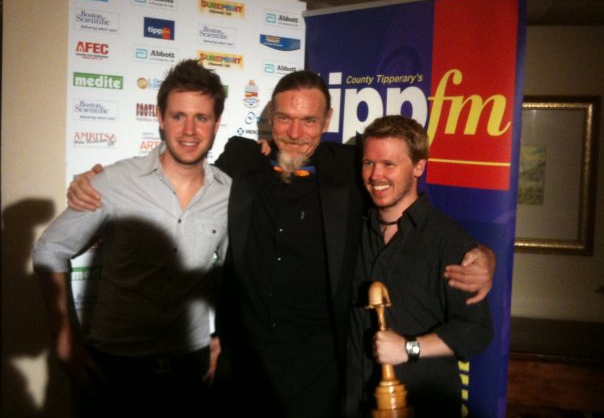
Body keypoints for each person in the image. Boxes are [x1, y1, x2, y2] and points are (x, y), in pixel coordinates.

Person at [67, 70, 495, 417]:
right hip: (243, 362)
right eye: (285, 118)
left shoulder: (348, 167)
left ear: (326, 123)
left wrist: (483, 256)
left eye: (309, 120)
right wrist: (95, 184)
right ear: (269, 117)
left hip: (319, 367)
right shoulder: (240, 158)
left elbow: (404, 199)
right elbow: (180, 181)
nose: (295, 131)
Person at [33, 59, 230, 417]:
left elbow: (238, 275)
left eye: (201, 117)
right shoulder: (113, 182)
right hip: (114, 371)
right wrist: (63, 336)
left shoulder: (229, 194)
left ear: (216, 123)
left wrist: (224, 340)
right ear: (159, 117)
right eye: (178, 116)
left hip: (192, 372)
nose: (189, 130)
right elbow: (51, 248)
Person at [345, 116, 494, 417]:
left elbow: (476, 330)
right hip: (356, 402)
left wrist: (409, 348)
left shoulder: (450, 241)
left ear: (418, 167)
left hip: (425, 404)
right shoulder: (352, 230)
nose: (375, 175)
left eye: (389, 164)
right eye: (368, 163)